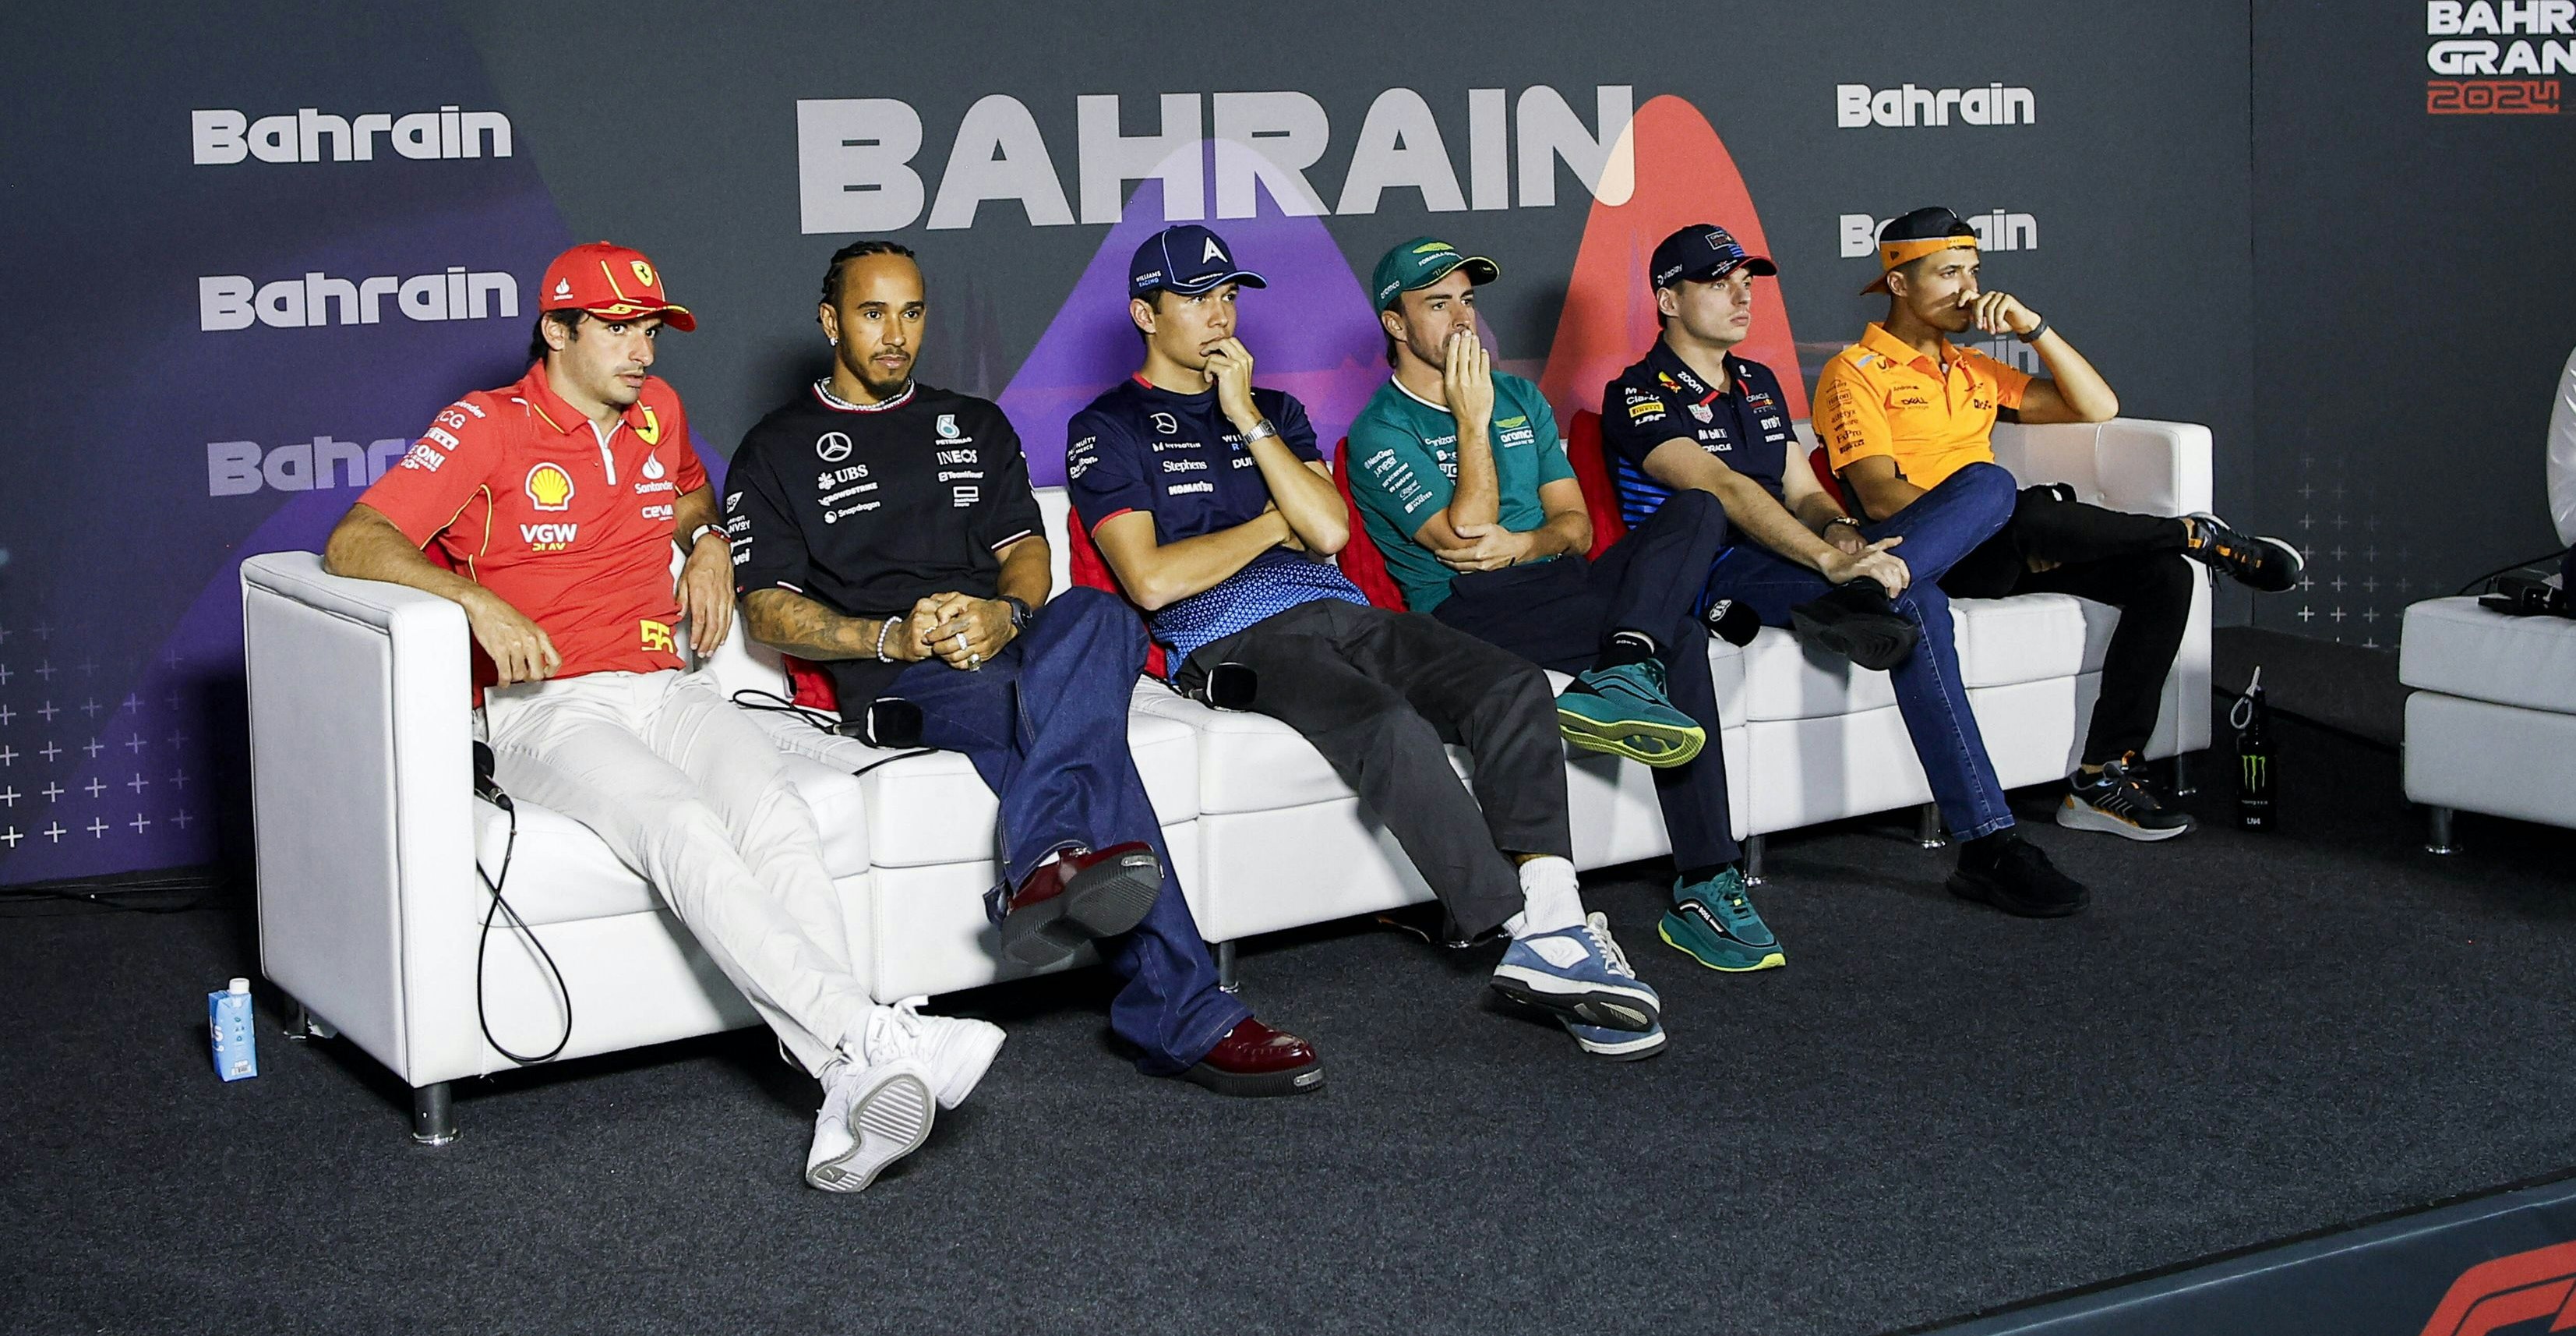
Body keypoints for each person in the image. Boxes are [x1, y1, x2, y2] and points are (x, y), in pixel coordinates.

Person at [323, 242, 1000, 1193]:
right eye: (617, 329)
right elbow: (354, 540)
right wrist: (473, 601)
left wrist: (710, 539)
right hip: (546, 706)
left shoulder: (659, 412)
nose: (642, 350)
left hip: (667, 684)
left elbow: (688, 491)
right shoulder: (485, 426)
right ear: (557, 330)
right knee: (681, 824)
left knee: (778, 813)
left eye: (650, 329)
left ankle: (848, 1084)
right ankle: (869, 1037)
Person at [728, 240, 1322, 1097]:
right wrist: (894, 636)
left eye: (912, 312)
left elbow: (1027, 555)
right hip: (903, 674)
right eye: (872, 313)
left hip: (1007, 638)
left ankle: (1040, 859)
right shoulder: (776, 447)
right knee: (1072, 735)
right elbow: (766, 609)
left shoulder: (972, 422)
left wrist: (1002, 612)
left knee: (1102, 615)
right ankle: (1185, 1012)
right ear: (831, 321)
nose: (896, 335)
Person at [1067, 224, 1666, 1059]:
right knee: (1388, 725)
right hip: (1229, 638)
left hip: (1343, 610)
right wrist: (1273, 523)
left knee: (1511, 684)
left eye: (1228, 296)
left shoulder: (1272, 410)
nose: (1221, 316)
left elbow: (1328, 531)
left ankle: (1557, 918)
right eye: (1197, 299)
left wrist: (1244, 417)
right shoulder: (1109, 426)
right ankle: (1528, 932)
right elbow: (1154, 581)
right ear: (1145, 313)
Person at [1600, 223, 2091, 918]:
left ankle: (1867, 592)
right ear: (1669, 301)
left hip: (1801, 555)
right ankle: (1988, 842)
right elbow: (1724, 490)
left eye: (1746, 282)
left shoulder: (1759, 382)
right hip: (1720, 572)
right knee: (1918, 601)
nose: (1742, 297)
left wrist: (1843, 536)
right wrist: (1829, 559)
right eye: (1718, 284)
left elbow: (1803, 491)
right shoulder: (1636, 392)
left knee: (1990, 484)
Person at [1342, 237, 1781, 975]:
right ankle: (1707, 880)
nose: (1462, 319)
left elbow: (1575, 529)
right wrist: (1471, 421)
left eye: (1468, 301)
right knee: (1680, 636)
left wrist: (1524, 543)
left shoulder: (1521, 398)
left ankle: (1624, 667)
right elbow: (1465, 538)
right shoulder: (1381, 428)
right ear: (1395, 323)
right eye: (1438, 304)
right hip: (1468, 606)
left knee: (1699, 508)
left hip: (1554, 579)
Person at [1818, 207, 2303, 843]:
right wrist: (1985, 517)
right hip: (1932, 553)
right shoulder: (1853, 372)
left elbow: (2098, 406)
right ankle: (2191, 532)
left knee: (2163, 577)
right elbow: (1880, 498)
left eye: (1974, 271)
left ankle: (2102, 779)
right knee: (2009, 500)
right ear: (1900, 284)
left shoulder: (1973, 368)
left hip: (2005, 546)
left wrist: (2034, 328)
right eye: (1949, 273)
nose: (1969, 289)